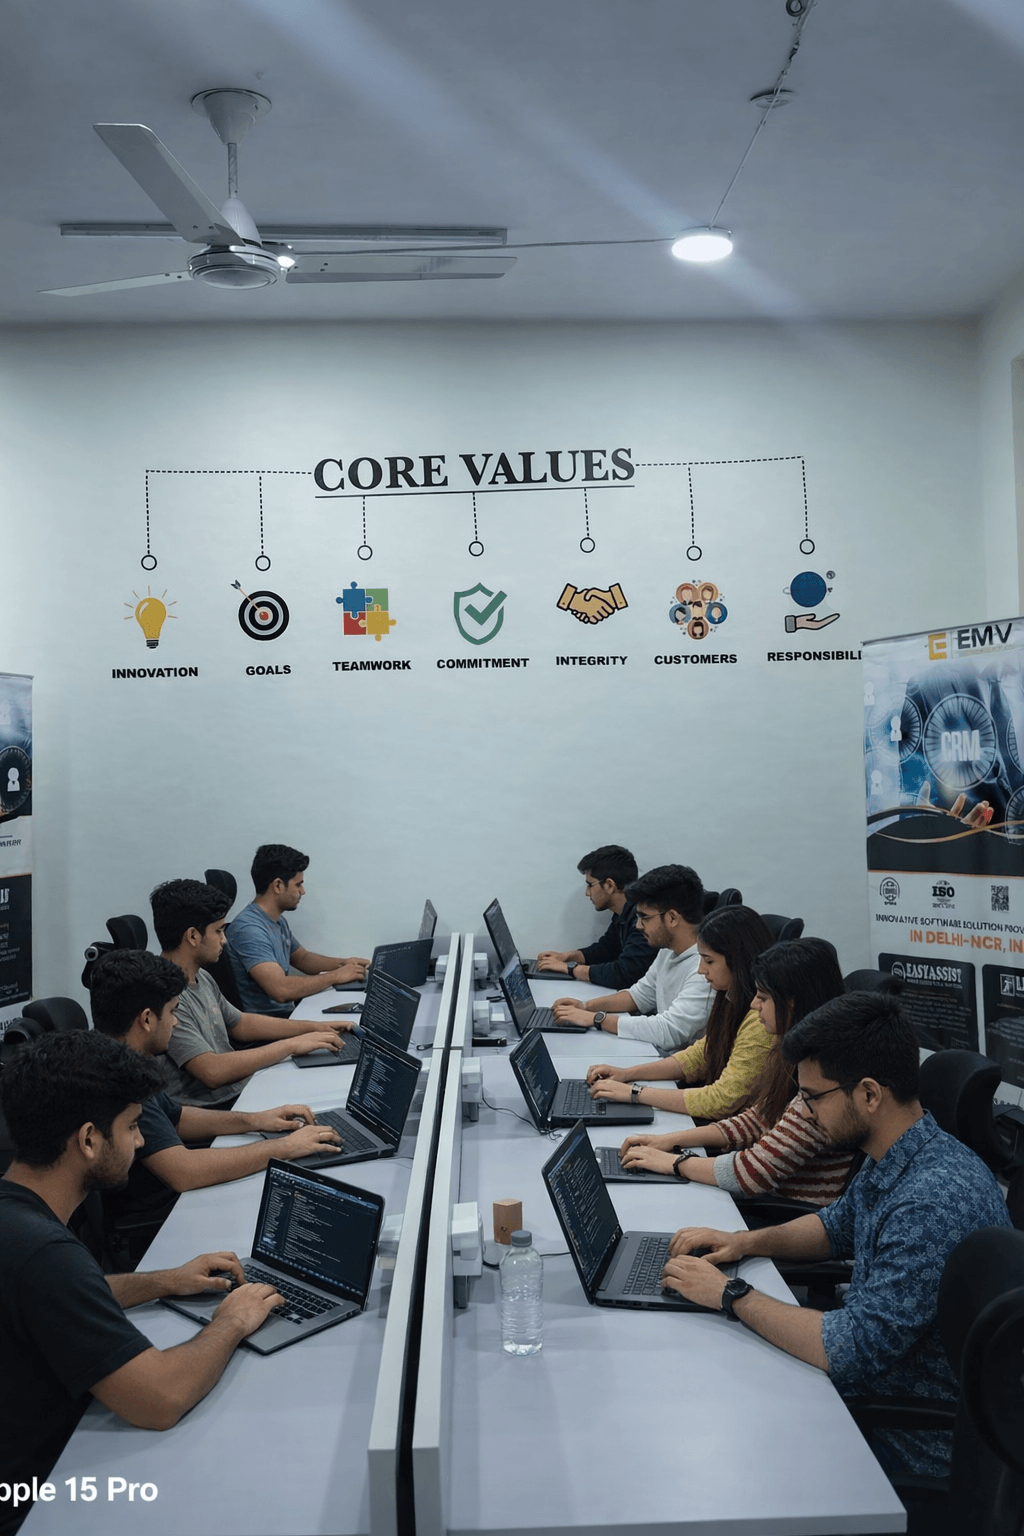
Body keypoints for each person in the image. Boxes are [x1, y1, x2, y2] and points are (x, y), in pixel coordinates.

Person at [659, 990, 1011, 1479]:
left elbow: (849, 1348)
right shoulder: (903, 1149)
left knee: (716, 1432)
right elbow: (835, 1226)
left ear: (868, 1095)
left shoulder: (928, 1204)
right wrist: (745, 1242)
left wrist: (730, 1294)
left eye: (813, 1097)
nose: (805, 1111)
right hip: (865, 1389)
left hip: (903, 1439)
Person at [0, 1030, 292, 1533]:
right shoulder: (46, 1254)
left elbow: (61, 1296)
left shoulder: (17, 1217)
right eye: (133, 1126)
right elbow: (161, 1398)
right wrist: (231, 1321)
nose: (140, 1141)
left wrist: (163, 1281)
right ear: (88, 1140)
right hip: (37, 1497)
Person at [89, 950, 342, 1240]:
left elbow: (178, 1117)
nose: (175, 1022)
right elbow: (184, 1173)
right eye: (172, 1012)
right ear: (147, 1019)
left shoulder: (121, 1057)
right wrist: (284, 1148)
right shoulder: (119, 1081)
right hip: (163, 1213)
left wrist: (255, 1121)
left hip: (176, 1193)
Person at [616, 937, 854, 1205]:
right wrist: (669, 1140)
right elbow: (757, 1121)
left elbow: (753, 1172)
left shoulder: (820, 1078)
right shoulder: (792, 1054)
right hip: (760, 1189)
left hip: (778, 1206)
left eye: (763, 997)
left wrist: (674, 1161)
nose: (754, 1005)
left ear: (792, 1003)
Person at [153, 878, 352, 1108]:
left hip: (239, 1089)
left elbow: (240, 1023)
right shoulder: (166, 996)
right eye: (218, 931)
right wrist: (290, 1045)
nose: (224, 940)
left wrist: (316, 1027)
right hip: (216, 1106)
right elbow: (212, 1072)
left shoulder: (201, 976)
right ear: (193, 936)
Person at [585, 904, 776, 1119]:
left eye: (709, 961)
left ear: (738, 960)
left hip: (733, 1125)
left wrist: (635, 1093)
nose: (701, 969)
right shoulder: (731, 998)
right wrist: (626, 1074)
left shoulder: (759, 1019)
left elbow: (722, 1101)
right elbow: (699, 1056)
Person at [550, 864, 713, 1049]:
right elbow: (639, 996)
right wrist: (585, 1006)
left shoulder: (705, 968)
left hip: (676, 1063)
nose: (638, 925)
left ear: (672, 918)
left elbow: (669, 1032)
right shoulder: (668, 950)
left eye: (644, 917)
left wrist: (597, 1019)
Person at [226, 844, 369, 1015]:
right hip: (271, 1023)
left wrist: (344, 963)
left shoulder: (278, 921)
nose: (303, 891)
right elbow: (281, 989)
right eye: (298, 885)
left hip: (289, 1014)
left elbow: (302, 958)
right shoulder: (249, 929)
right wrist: (335, 976)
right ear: (278, 885)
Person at [534, 844, 651, 988]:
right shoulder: (624, 912)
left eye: (590, 885)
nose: (587, 893)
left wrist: (570, 969)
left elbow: (624, 974)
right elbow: (607, 949)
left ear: (609, 885)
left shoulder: (643, 920)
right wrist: (567, 957)